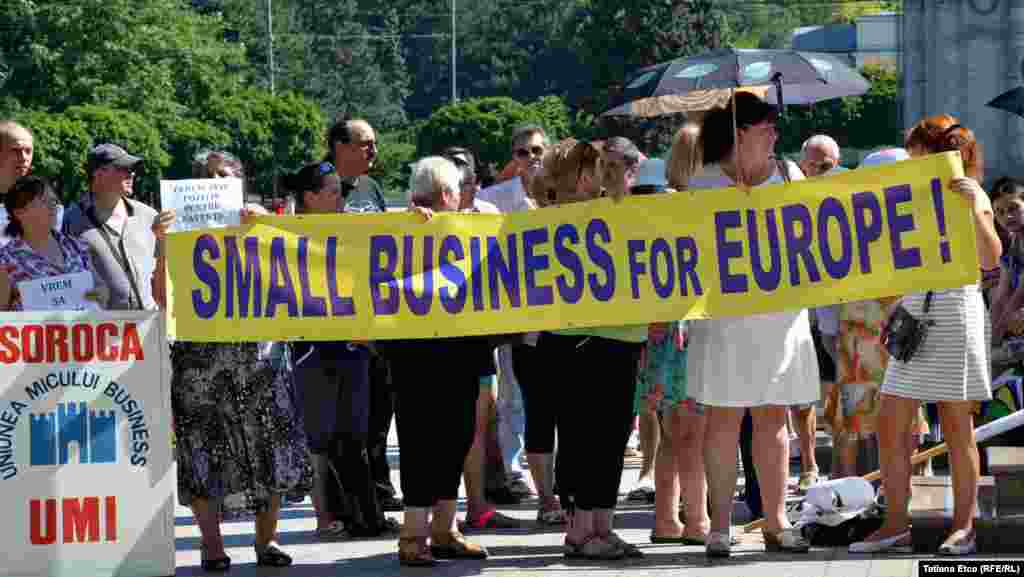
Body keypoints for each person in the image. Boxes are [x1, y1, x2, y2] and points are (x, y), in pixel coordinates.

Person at [851, 116, 1001, 556]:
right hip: (918, 310)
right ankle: (897, 523)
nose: (909, 155)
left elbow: (992, 258)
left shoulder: (971, 192)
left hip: (956, 310)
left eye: (914, 148)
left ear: (933, 151)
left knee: (957, 427)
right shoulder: (919, 194)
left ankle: (964, 528)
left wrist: (976, 206)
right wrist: (899, 304)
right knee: (890, 420)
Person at [686, 93, 817, 557]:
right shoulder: (702, 183)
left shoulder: (789, 174)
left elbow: (814, 231)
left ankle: (776, 521)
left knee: (773, 415)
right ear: (741, 134)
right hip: (723, 317)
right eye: (766, 130)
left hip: (780, 316)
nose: (774, 138)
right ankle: (719, 525)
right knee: (723, 417)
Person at [169, 152, 313, 570]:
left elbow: (301, 268)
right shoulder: (177, 226)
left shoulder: (263, 219)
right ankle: (212, 545)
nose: (219, 181)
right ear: (196, 185)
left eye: (227, 176)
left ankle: (267, 540)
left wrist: (266, 224)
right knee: (202, 448)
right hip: (201, 357)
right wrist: (164, 243)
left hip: (260, 354)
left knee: (270, 443)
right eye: (210, 176)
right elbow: (163, 292)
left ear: (241, 181)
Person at [527, 138, 648, 560]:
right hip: (588, 341)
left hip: (617, 338)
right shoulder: (567, 216)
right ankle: (583, 530)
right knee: (588, 438)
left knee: (608, 438)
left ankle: (599, 527)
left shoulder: (620, 211)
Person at [380, 156, 494, 567]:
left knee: (458, 437)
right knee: (419, 441)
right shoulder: (401, 225)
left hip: (462, 348)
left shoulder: (470, 228)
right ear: (447, 193)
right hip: (415, 352)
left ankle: (445, 529)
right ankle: (413, 535)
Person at [281, 160, 397, 539]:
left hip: (353, 344)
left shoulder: (353, 228)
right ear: (310, 198)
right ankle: (328, 515)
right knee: (321, 437)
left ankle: (366, 514)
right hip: (311, 347)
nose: (340, 198)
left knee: (355, 434)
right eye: (332, 191)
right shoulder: (286, 232)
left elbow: (395, 239)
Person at [326, 118, 403, 512]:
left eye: (374, 143)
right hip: (335, 318)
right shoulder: (321, 185)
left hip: (376, 314)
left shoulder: (372, 188)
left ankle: (380, 485)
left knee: (379, 407)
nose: (373, 151)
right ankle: (345, 496)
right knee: (345, 414)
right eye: (365, 144)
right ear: (340, 147)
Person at [62, 143, 174, 310]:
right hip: (105, 329)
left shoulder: (149, 215)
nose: (132, 174)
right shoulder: (71, 220)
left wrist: (165, 240)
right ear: (99, 174)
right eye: (124, 169)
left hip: (151, 326)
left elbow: (165, 270)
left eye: (132, 170)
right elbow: (67, 284)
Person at [0, 176, 103, 310]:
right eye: (43, 201)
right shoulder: (6, 260)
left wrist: (87, 296)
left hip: (82, 328)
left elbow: (102, 290)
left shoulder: (77, 246)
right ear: (19, 212)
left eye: (53, 200)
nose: (52, 206)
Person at [477, 124, 546, 213]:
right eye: (522, 153)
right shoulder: (488, 198)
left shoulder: (565, 192)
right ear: (515, 157)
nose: (531, 156)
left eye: (536, 150)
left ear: (547, 150)